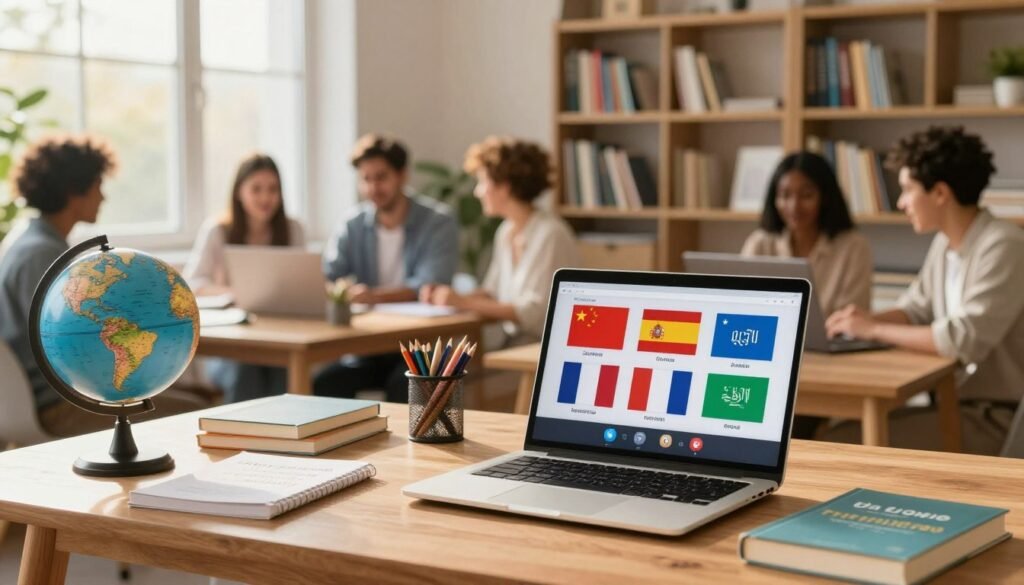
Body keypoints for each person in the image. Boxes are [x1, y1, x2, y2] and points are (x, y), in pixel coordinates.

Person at [825, 126, 1024, 455]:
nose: (901, 202)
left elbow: (961, 339)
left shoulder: (1005, 245)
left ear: (940, 193)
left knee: (836, 442)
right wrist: (859, 321)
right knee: (826, 430)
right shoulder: (945, 244)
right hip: (952, 404)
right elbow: (916, 309)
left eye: (907, 189)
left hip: (995, 417)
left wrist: (873, 329)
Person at [0, 134, 205, 437]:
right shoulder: (39, 254)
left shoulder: (29, 239)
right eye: (98, 185)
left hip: (51, 396)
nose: (103, 197)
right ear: (74, 191)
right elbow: (62, 340)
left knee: (195, 396)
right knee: (196, 411)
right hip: (57, 406)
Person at [314, 134, 458, 401]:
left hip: (420, 345)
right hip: (369, 343)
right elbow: (329, 274)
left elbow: (430, 283)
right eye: (365, 179)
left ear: (402, 175)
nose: (373, 187)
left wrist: (373, 296)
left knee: (404, 383)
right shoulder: (353, 224)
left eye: (381, 177)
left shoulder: (438, 222)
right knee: (325, 383)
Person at [421, 136, 579, 349]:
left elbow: (532, 313)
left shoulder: (550, 234)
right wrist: (447, 296)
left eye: (482, 182)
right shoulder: (506, 232)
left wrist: (463, 302)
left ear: (504, 186)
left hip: (545, 349)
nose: (477, 191)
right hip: (516, 344)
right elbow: (492, 292)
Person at [183, 153, 305, 403]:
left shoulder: (292, 230)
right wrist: (235, 292)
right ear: (239, 192)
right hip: (233, 345)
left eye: (273, 189)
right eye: (256, 189)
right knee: (247, 370)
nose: (265, 198)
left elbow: (302, 283)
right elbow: (191, 285)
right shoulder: (217, 230)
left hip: (281, 338)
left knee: (286, 370)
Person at [741, 151, 873, 316]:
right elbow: (742, 306)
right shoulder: (759, 243)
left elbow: (853, 319)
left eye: (806, 195)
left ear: (825, 197)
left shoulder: (854, 247)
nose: (794, 206)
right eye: (785, 195)